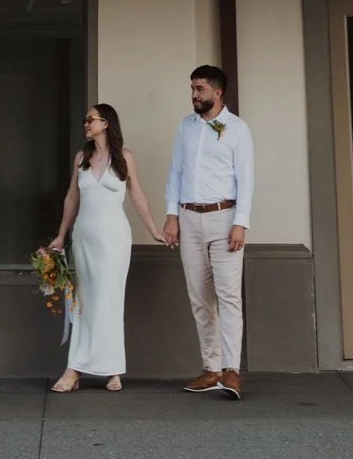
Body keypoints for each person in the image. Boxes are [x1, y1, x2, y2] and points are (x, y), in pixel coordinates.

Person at [46, 103, 164, 393]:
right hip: (84, 237)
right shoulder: (81, 158)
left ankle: (110, 368)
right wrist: (61, 235)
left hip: (114, 239)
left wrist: (153, 230)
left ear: (106, 123)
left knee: (109, 299)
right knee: (84, 301)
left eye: (91, 119)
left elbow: (137, 196)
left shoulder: (125, 157)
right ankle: (77, 368)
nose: (86, 124)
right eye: (85, 120)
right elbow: (72, 197)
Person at [162, 64, 254, 400]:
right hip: (189, 217)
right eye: (192, 88)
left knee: (228, 296)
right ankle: (211, 368)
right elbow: (175, 172)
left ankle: (232, 371)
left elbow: (246, 178)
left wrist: (241, 222)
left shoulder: (238, 129)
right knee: (199, 297)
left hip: (224, 217)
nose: (194, 95)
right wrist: (172, 216)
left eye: (199, 89)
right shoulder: (185, 127)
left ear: (217, 92)